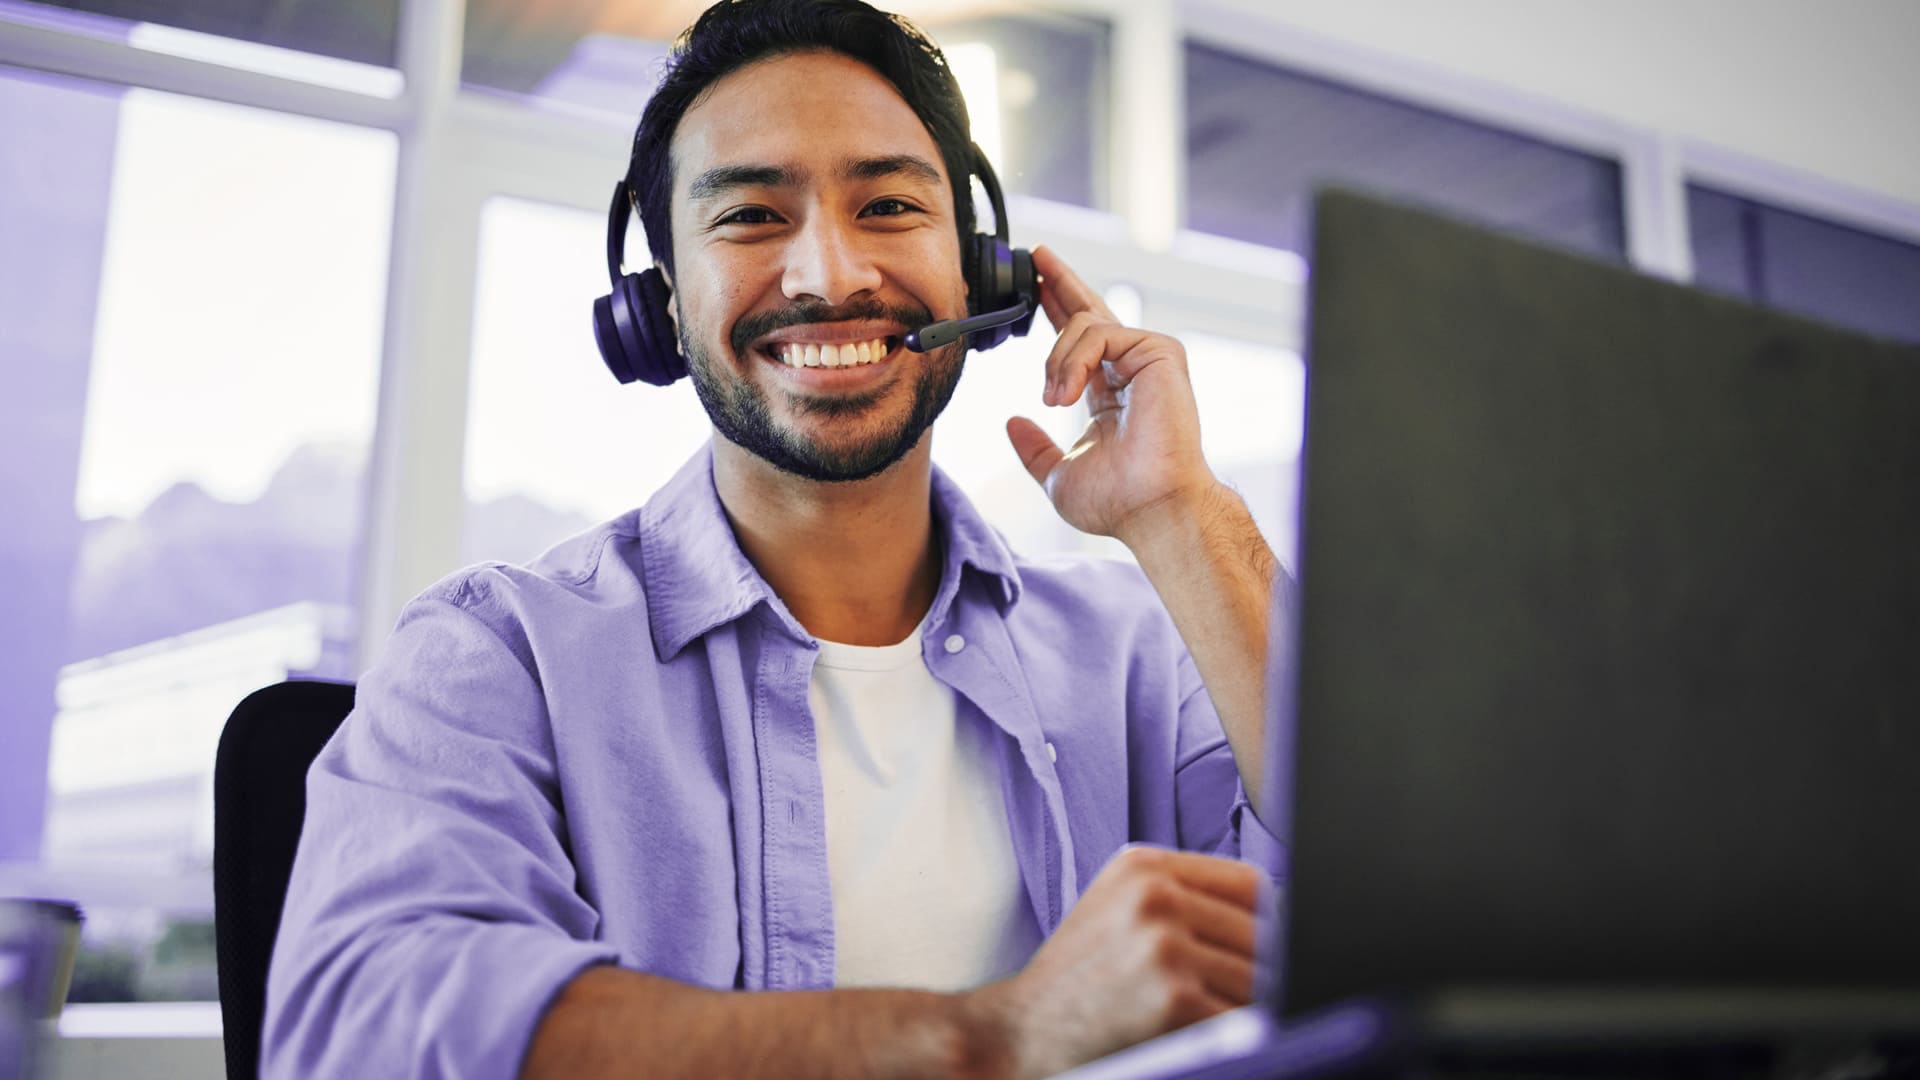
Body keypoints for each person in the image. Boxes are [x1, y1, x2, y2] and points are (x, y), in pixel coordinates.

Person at [263, 1, 1290, 1076]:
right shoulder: (498, 656)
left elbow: (1393, 906)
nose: (828, 277)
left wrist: (1183, 513)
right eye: (751, 216)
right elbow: (362, 1027)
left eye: (888, 204)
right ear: (659, 302)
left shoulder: (1140, 649)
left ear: (984, 271)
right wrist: (990, 1037)